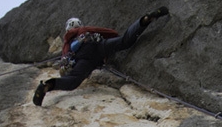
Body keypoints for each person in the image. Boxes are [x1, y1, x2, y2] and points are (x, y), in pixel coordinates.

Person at [33, 7, 169, 106]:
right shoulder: (85, 30)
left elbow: (65, 61)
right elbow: (110, 32)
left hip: (84, 59)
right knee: (125, 41)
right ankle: (145, 20)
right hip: (99, 46)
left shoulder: (68, 41)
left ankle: (46, 86)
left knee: (72, 81)